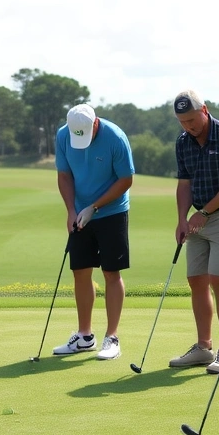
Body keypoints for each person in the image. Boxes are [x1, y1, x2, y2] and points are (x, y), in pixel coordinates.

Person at [168, 89, 219, 374]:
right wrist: (182, 219)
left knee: (218, 279)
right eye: (182, 121)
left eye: (192, 119)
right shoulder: (183, 143)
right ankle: (204, 347)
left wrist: (203, 213)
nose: (188, 126)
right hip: (198, 217)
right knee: (196, 280)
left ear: (205, 110)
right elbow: (184, 184)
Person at [51, 104, 135, 360]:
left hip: (112, 211)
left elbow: (126, 179)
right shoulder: (64, 135)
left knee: (111, 271)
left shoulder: (115, 137)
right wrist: (70, 210)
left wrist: (95, 206)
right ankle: (85, 337)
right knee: (80, 271)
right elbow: (64, 175)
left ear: (95, 123)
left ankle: (112, 337)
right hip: (78, 212)